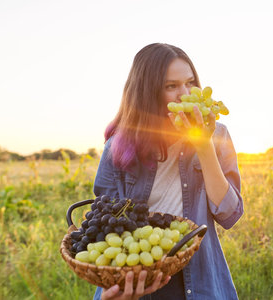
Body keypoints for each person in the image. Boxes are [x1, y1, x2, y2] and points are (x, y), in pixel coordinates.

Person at [92, 43, 244, 300]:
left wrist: (203, 146)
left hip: (200, 280)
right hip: (139, 278)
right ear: (147, 93)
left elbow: (229, 214)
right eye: (170, 86)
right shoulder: (118, 146)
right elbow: (106, 225)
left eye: (190, 82)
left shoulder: (217, 135)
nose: (184, 94)